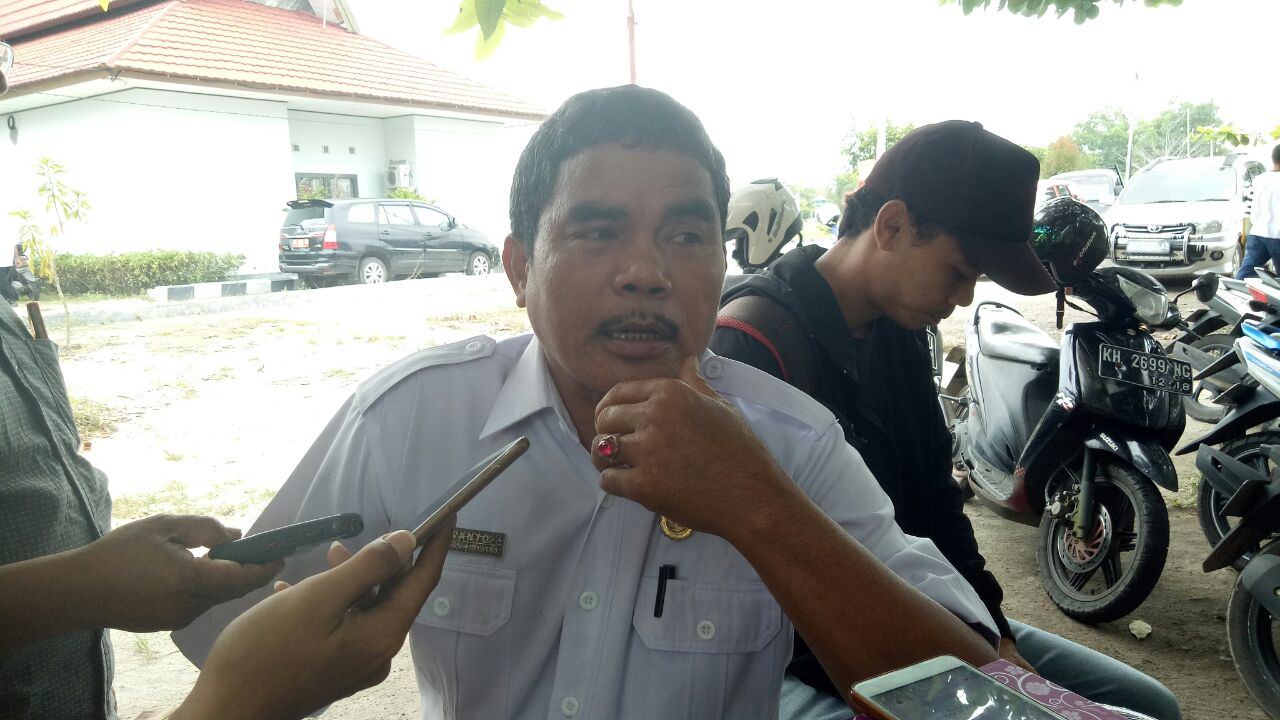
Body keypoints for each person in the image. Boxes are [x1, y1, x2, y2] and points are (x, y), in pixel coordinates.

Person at [175, 85, 1000, 718]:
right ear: (519, 269)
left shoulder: (793, 444)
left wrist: (757, 506)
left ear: (722, 265)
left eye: (686, 236)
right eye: (598, 231)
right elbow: (226, 644)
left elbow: (973, 697)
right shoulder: (409, 422)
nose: (646, 272)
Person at [710, 121, 1182, 720]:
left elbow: (937, 505)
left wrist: (997, 640)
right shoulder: (754, 344)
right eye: (960, 271)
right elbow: (745, 576)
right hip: (789, 654)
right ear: (892, 226)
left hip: (919, 612)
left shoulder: (901, 334)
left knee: (1148, 704)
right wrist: (957, 678)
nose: (963, 299)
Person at [1236, 143, 1280, 280]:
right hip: (1278, 235)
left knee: (1245, 274)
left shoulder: (1259, 180)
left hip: (1258, 234)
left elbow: (1249, 209)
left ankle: (1235, 292)